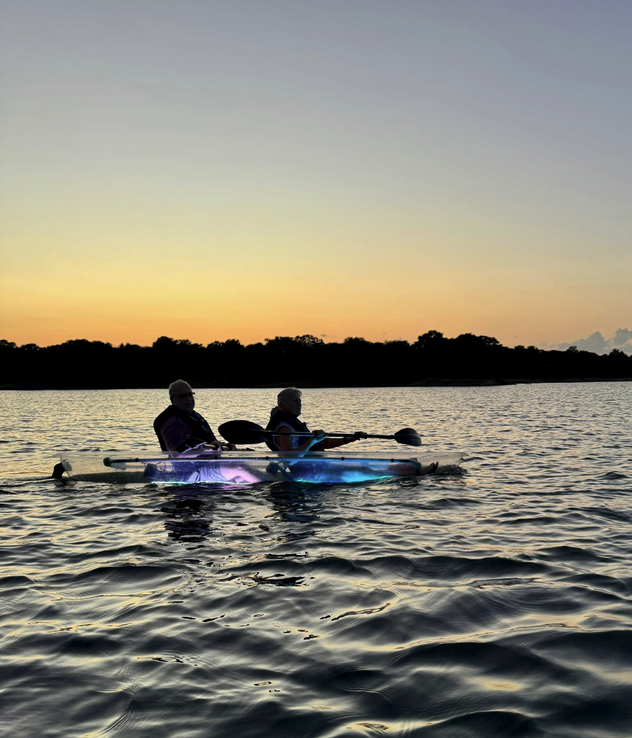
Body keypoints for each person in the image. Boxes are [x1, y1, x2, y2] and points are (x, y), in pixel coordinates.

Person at [265, 387, 367, 455]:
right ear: (282, 405)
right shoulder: (284, 429)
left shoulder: (292, 425)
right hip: (307, 471)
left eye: (300, 401)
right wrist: (312, 441)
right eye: (295, 401)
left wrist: (349, 439)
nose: (299, 404)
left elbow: (323, 443)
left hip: (316, 466)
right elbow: (288, 459)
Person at [153, 379, 224, 452]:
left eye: (190, 394)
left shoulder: (194, 417)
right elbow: (176, 453)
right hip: (191, 462)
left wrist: (223, 446)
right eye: (183, 396)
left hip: (208, 460)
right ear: (172, 400)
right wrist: (210, 448)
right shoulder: (171, 423)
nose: (189, 399)